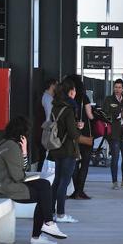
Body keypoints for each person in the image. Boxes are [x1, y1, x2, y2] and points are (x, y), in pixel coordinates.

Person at [0, 116, 67, 244]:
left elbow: (22, 169)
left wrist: (24, 152)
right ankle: (43, 229)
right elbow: (19, 176)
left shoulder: (5, 143)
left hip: (1, 184)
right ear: (22, 133)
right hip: (2, 188)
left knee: (44, 185)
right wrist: (23, 159)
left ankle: (46, 226)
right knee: (44, 192)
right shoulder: (11, 147)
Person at [49, 77, 82, 223]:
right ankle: (61, 214)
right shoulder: (69, 109)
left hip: (56, 148)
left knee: (57, 180)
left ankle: (50, 211)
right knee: (64, 181)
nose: (75, 92)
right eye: (74, 90)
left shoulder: (55, 107)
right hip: (68, 149)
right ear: (70, 92)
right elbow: (73, 134)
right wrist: (78, 127)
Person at [66, 74, 95, 200]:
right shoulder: (84, 97)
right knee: (85, 163)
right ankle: (80, 191)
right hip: (85, 134)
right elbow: (90, 116)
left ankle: (74, 190)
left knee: (74, 162)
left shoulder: (67, 98)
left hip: (72, 133)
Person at [37, 78, 58, 172]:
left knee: (43, 153)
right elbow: (48, 116)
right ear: (52, 85)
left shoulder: (46, 97)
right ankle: (41, 173)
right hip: (46, 130)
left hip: (44, 129)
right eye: (56, 85)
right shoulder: (47, 98)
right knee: (44, 153)